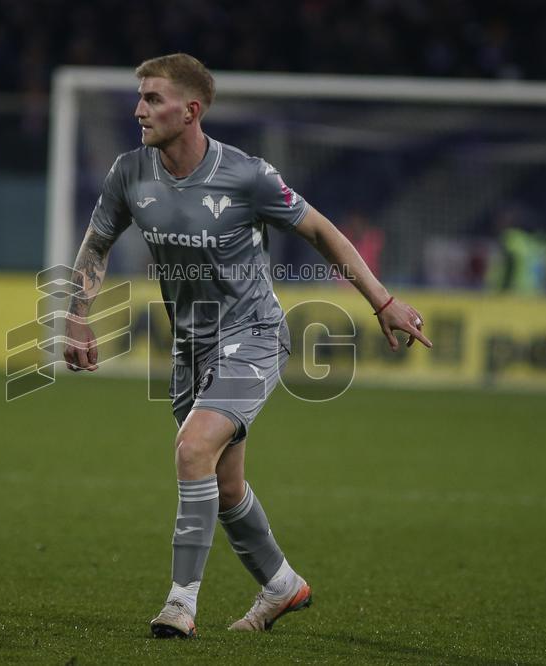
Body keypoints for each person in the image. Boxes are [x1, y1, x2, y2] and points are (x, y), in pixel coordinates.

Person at [62, 53, 431, 639]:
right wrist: (76, 316)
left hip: (253, 335)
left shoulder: (246, 175)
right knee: (223, 482)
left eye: (153, 99)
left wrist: (382, 301)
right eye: (139, 97)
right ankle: (283, 585)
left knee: (191, 449)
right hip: (190, 346)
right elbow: (97, 242)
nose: (139, 109)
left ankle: (180, 603)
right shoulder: (130, 172)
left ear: (191, 110)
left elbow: (320, 230)